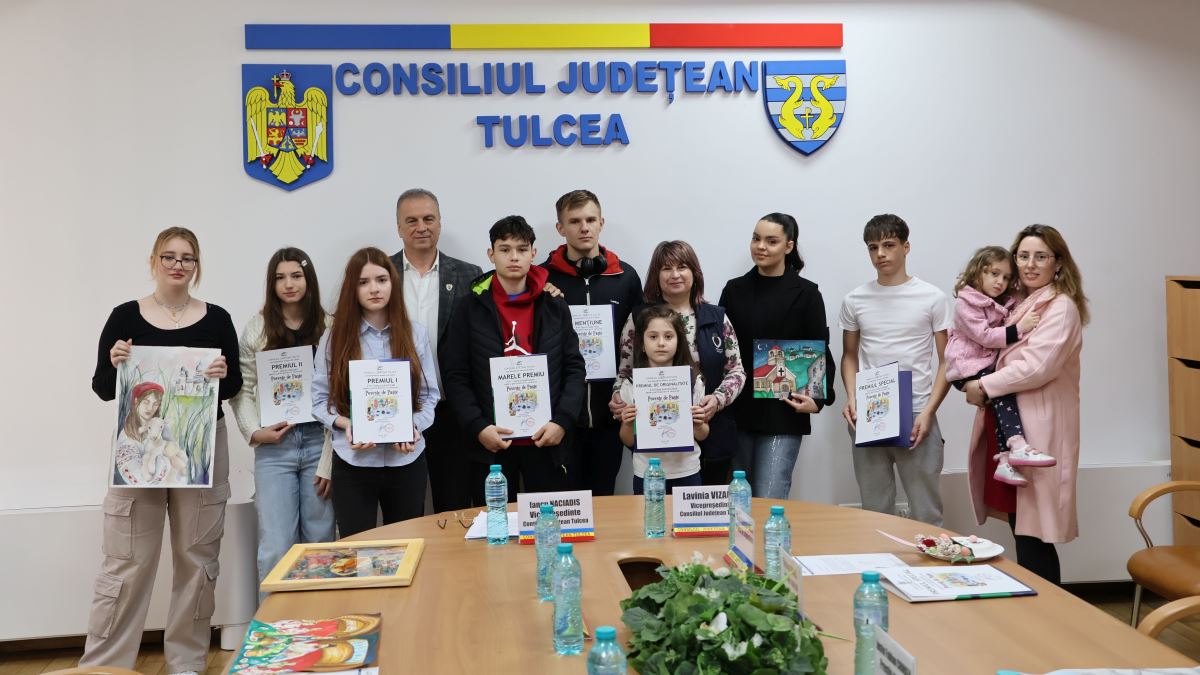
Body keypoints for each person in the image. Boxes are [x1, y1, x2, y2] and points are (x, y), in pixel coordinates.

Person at [83, 227, 242, 675]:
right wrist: (115, 362)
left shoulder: (218, 319)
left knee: (198, 558)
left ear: (197, 265)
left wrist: (222, 373)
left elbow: (233, 386)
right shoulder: (124, 317)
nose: (178, 264)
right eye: (169, 256)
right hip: (137, 451)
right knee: (126, 561)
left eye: (187, 257)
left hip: (200, 449)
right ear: (153, 260)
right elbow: (102, 387)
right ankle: (105, 666)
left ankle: (186, 662)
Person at [963, 225, 1088, 585]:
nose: (1030, 264)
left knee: (1035, 535)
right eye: (1023, 256)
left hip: (1038, 431)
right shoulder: (1018, 303)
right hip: (1013, 428)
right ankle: (1037, 609)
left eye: (1040, 256)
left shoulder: (1061, 307)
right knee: (1023, 528)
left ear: (1058, 263)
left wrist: (983, 385)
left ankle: (1048, 611)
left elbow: (1036, 367)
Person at [441, 215, 586, 504]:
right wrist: (478, 426)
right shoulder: (469, 307)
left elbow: (574, 368)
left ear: (533, 253)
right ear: (491, 254)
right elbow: (455, 374)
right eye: (505, 249)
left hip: (546, 440)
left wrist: (562, 421)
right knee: (496, 526)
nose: (514, 257)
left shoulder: (555, 305)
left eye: (521, 249)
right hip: (492, 443)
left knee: (547, 523)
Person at [311, 247, 440, 537]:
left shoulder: (415, 333)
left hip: (405, 460)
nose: (374, 289)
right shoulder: (334, 337)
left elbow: (429, 396)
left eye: (381, 280)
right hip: (354, 462)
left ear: (393, 284)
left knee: (408, 547)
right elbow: (319, 401)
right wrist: (349, 425)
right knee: (357, 550)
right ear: (352, 289)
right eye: (363, 282)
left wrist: (412, 427)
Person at [230, 247, 336, 594]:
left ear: (309, 280)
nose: (288, 284)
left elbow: (339, 395)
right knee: (276, 545)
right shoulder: (257, 328)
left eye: (296, 276)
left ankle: (319, 621)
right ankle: (273, 626)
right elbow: (242, 388)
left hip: (320, 445)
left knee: (320, 543)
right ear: (271, 284)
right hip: (275, 449)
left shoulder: (330, 326)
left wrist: (329, 461)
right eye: (280, 278)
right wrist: (255, 431)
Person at [839, 214, 952, 526]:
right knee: (874, 510)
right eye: (873, 247)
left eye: (888, 245)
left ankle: (927, 560)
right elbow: (849, 356)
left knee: (926, 512)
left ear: (906, 247)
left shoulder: (932, 297)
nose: (880, 254)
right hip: (869, 411)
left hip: (916, 412)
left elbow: (948, 361)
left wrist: (928, 411)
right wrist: (852, 398)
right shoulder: (855, 299)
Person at [719, 213, 836, 499]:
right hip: (737, 411)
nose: (761, 246)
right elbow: (722, 349)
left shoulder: (807, 294)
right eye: (756, 239)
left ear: (788, 246)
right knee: (737, 499)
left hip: (784, 411)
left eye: (771, 241)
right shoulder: (734, 290)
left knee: (770, 494)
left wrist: (818, 400)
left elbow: (820, 349)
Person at [611, 240, 745, 486]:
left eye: (682, 267)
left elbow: (736, 371)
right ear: (656, 275)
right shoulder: (639, 317)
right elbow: (625, 371)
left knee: (704, 507)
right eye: (666, 268)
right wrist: (619, 398)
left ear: (694, 272)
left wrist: (716, 400)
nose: (675, 275)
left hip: (711, 432)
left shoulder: (717, 318)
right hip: (655, 444)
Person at [541, 189, 643, 495]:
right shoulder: (542, 278)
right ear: (560, 228)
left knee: (603, 498)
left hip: (609, 415)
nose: (584, 228)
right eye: (574, 221)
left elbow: (639, 345)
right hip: (560, 417)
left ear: (601, 223)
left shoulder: (626, 277)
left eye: (590, 220)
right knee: (565, 504)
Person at [389, 188, 483, 512]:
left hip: (451, 409)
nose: (421, 227)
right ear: (399, 227)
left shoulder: (470, 275)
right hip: (395, 410)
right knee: (404, 509)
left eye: (428, 219)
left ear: (440, 223)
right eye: (411, 220)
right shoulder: (380, 274)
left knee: (453, 505)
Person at [945, 245, 1050, 488]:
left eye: (1006, 277)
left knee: (998, 407)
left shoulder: (997, 301)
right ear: (978, 272)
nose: (1000, 282)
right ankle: (1017, 444)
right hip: (966, 367)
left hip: (979, 364)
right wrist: (1019, 328)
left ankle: (1004, 460)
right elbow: (985, 336)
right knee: (1003, 393)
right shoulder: (966, 303)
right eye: (994, 274)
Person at [617, 305, 709, 493]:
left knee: (685, 515)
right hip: (647, 472)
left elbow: (702, 435)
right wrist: (627, 424)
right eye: (653, 337)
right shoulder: (631, 385)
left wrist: (699, 424)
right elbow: (628, 440)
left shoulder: (693, 381)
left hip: (687, 470)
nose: (661, 343)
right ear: (642, 344)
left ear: (679, 341)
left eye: (668, 336)